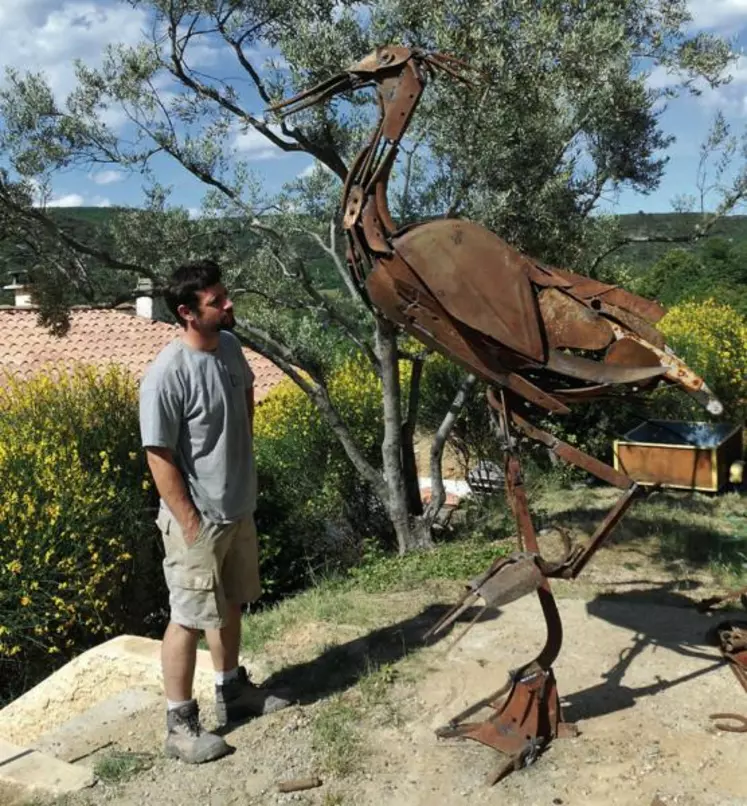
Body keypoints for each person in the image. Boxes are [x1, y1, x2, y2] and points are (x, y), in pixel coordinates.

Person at [139, 259, 290, 764]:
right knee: (186, 618)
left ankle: (233, 692)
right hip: (196, 521)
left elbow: (244, 395)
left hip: (236, 508)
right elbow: (158, 457)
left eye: (225, 295)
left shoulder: (229, 346)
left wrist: (240, 473)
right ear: (186, 313)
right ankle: (180, 726)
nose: (228, 305)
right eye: (215, 301)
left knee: (230, 604)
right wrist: (189, 522)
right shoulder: (166, 375)